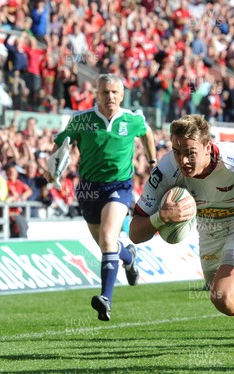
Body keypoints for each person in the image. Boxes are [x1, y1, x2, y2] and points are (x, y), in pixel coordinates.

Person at [129, 114, 234, 351]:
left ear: (207, 147)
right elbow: (135, 233)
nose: (183, 160)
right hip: (209, 234)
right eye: (177, 151)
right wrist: (161, 217)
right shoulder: (165, 171)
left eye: (190, 152)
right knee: (221, 299)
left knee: (224, 295)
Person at [46, 74, 157, 322]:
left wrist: (152, 161)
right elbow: (61, 143)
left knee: (108, 238)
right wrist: (51, 166)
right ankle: (128, 257)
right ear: (97, 94)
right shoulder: (81, 120)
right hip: (88, 189)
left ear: (122, 95)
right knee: (107, 246)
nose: (111, 97)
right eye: (105, 92)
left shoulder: (132, 118)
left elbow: (147, 133)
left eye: (115, 92)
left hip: (119, 187)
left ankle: (105, 298)